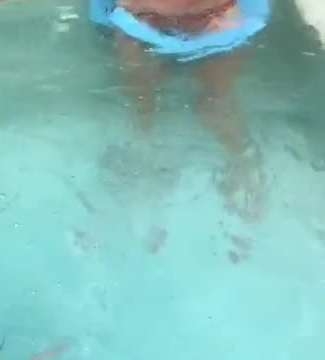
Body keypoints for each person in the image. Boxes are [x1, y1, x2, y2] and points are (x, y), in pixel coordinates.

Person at [91, 0, 271, 222]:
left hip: (155, 18)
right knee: (214, 104)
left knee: (143, 106)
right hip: (212, 17)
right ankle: (243, 166)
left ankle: (140, 155)